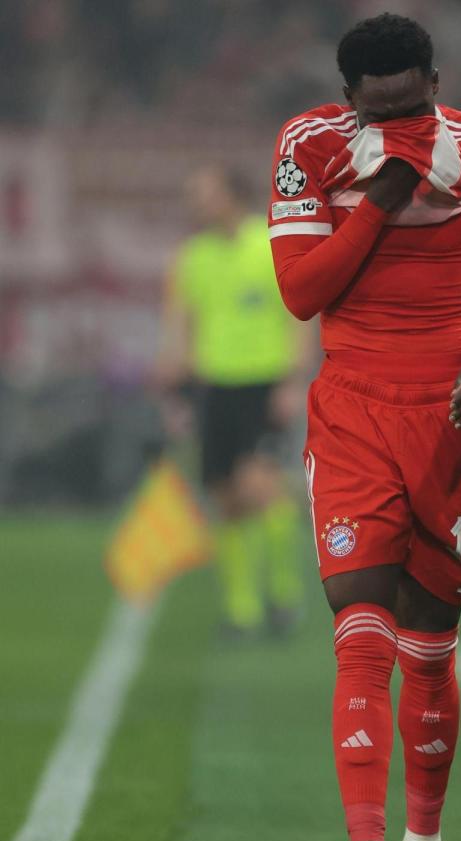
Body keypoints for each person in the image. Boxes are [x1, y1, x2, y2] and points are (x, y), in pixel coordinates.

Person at [268, 14, 461, 841]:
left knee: (429, 643)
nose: (401, 121)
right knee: (361, 630)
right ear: (348, 97)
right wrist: (381, 196)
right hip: (352, 411)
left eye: (413, 104)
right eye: (379, 109)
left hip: (450, 415)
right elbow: (302, 293)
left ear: (436, 80)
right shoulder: (310, 145)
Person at [156, 165, 310, 640]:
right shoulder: (192, 257)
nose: (196, 203)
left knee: (258, 488)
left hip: (261, 383)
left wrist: (292, 381)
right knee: (225, 497)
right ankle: (242, 610)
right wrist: (174, 387)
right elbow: (181, 325)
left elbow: (299, 313)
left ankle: (283, 593)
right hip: (212, 388)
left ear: (231, 195)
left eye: (205, 193)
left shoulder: (269, 246)